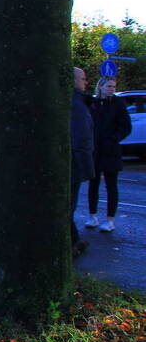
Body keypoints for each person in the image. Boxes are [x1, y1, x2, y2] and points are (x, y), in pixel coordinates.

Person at [85, 76, 132, 232]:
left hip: (111, 150)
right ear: (101, 87)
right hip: (95, 150)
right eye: (109, 86)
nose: (111, 89)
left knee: (111, 185)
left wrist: (114, 139)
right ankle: (92, 216)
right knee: (93, 184)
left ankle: (110, 220)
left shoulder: (118, 104)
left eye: (113, 86)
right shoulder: (94, 104)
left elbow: (126, 127)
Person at [70, 67, 94, 256]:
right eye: (83, 78)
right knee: (69, 205)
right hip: (74, 163)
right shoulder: (77, 105)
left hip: (72, 161)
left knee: (68, 205)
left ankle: (74, 239)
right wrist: (87, 168)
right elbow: (81, 138)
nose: (85, 82)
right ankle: (70, 243)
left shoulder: (74, 102)